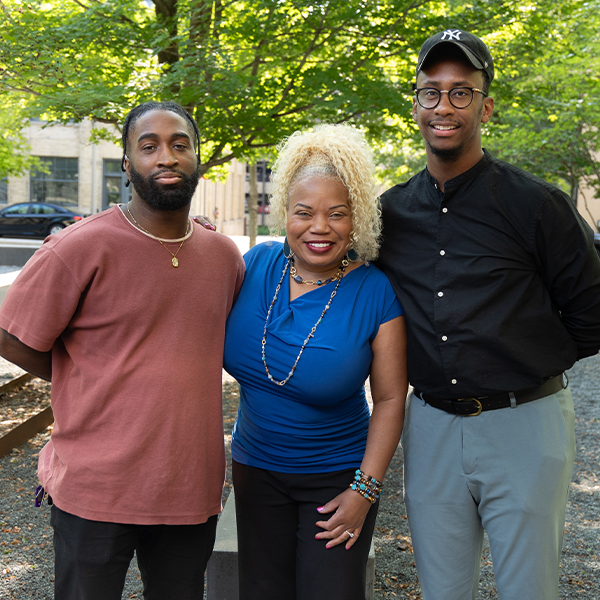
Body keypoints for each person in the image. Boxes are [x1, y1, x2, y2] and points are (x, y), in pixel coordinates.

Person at [376, 29, 600, 600]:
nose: (444, 106)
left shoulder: (536, 205)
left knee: (530, 590)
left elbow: (592, 313)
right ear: (416, 103)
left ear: (486, 105)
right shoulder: (390, 213)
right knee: (443, 590)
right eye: (431, 92)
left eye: (461, 92)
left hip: (525, 422)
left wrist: (525, 354)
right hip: (429, 427)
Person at [0, 101, 245, 600]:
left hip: (188, 487)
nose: (166, 157)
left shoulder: (223, 257)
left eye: (180, 144)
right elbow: (11, 336)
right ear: (128, 163)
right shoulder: (77, 247)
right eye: (149, 146)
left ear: (198, 157)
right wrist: (83, 375)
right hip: (95, 489)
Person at [223, 124, 408, 600]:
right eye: (303, 212)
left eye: (337, 214)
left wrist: (364, 492)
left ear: (358, 218)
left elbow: (389, 398)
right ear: (284, 211)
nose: (319, 228)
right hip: (254, 469)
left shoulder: (374, 292)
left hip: (335, 481)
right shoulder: (254, 265)